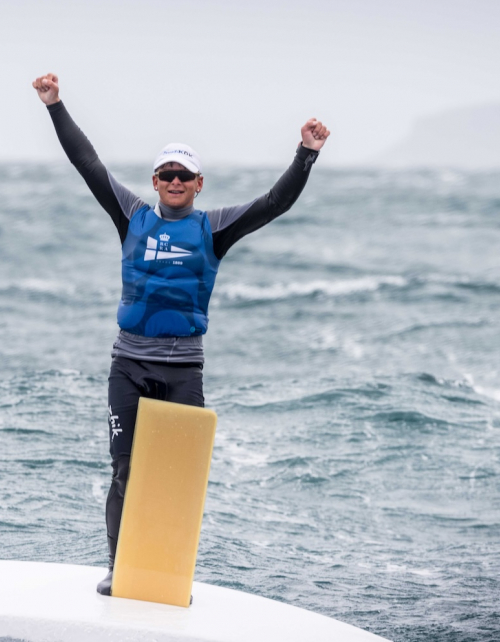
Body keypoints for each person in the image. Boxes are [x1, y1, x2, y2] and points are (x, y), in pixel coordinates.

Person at [32, 72, 330, 595]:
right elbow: (88, 164)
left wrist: (305, 153)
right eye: (166, 173)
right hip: (129, 366)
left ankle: (166, 570)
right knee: (124, 471)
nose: (174, 181)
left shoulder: (213, 227)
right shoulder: (131, 216)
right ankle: (118, 568)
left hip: (183, 371)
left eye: (183, 175)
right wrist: (55, 105)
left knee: (176, 477)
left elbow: (274, 203)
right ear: (154, 181)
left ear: (198, 184)